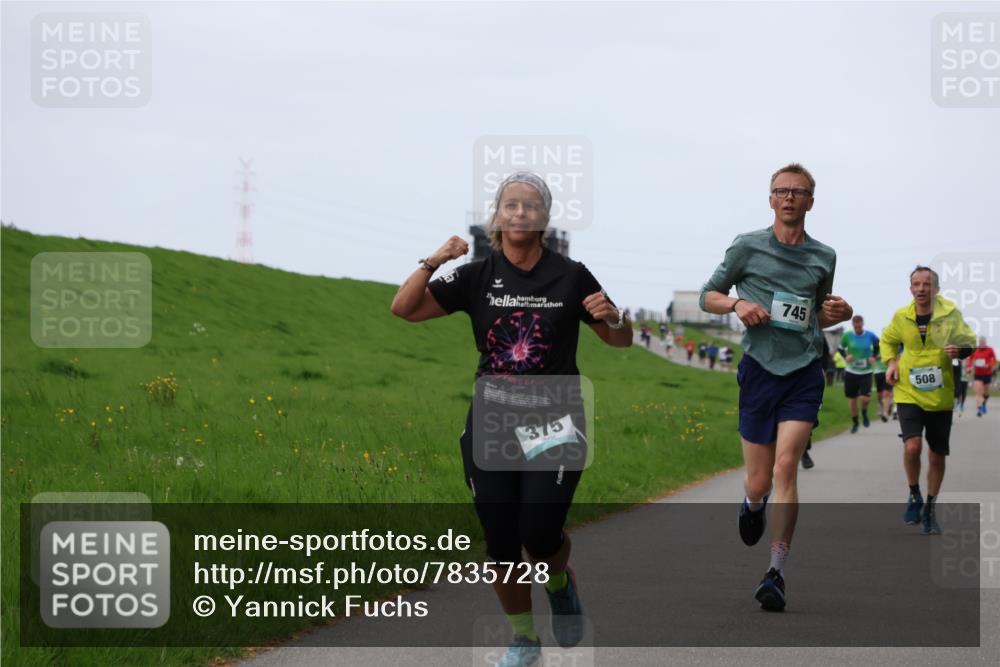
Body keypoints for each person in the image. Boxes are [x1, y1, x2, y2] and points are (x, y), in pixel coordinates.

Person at [390, 172, 632, 665]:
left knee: (538, 535)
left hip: (555, 419)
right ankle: (524, 640)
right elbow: (404, 309)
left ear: (544, 218)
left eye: (531, 206)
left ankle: (559, 582)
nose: (520, 213)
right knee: (501, 540)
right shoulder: (477, 274)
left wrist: (614, 316)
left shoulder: (571, 275)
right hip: (493, 418)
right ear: (497, 216)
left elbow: (619, 339)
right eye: (511, 205)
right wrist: (435, 260)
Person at [700, 163, 852, 611]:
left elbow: (815, 315)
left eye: (797, 192)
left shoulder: (824, 256)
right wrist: (737, 304)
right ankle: (752, 503)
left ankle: (775, 573)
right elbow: (708, 295)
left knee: (787, 467)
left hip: (803, 371)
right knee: (760, 479)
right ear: (770, 199)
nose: (789, 197)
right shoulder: (747, 246)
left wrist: (839, 314)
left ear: (810, 202)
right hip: (760, 371)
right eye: (781, 191)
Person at [880, 266, 976, 535]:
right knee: (912, 447)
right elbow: (888, 340)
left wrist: (959, 350)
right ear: (910, 288)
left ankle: (930, 508)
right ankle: (914, 493)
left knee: (937, 453)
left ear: (936, 288)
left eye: (927, 284)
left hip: (940, 394)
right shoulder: (902, 316)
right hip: (908, 390)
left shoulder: (950, 314)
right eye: (916, 284)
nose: (921, 289)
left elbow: (969, 341)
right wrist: (891, 362)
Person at [839, 315, 879, 433]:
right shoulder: (847, 336)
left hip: (866, 371)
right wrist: (846, 356)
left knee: (865, 399)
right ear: (853, 325)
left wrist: (873, 356)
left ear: (862, 324)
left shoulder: (870, 335)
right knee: (852, 400)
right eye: (855, 326)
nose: (857, 328)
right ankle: (855, 422)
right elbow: (840, 348)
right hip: (851, 371)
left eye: (859, 325)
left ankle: (864, 413)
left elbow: (878, 346)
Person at [970, 336, 996, 417]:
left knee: (986, 393)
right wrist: (970, 366)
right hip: (978, 374)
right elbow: (970, 359)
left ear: (985, 342)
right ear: (979, 342)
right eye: (981, 342)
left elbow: (994, 360)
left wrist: (988, 365)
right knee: (978, 392)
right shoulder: (975, 350)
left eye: (983, 342)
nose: (982, 343)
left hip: (987, 373)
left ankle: (984, 403)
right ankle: (979, 409)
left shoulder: (990, 349)